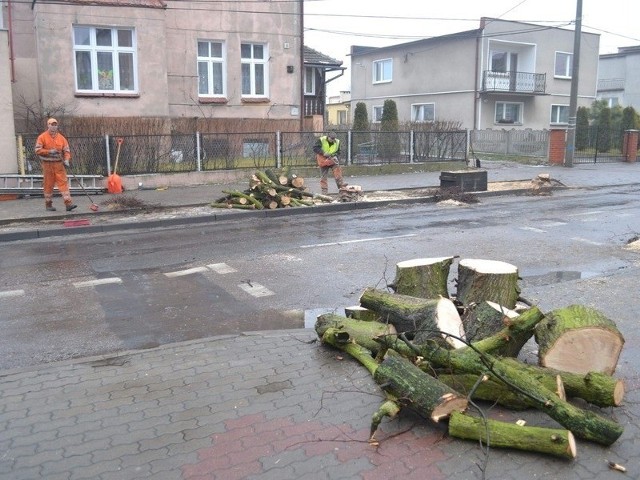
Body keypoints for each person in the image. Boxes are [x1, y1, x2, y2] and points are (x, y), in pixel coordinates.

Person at [34, 118, 77, 212]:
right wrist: (49, 151)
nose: (53, 126)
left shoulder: (61, 138)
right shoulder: (42, 137)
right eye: (51, 124)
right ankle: (48, 204)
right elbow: (37, 150)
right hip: (47, 165)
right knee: (48, 185)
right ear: (48, 125)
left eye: (55, 125)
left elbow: (66, 151)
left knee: (63, 184)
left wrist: (66, 160)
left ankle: (68, 204)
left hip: (59, 165)